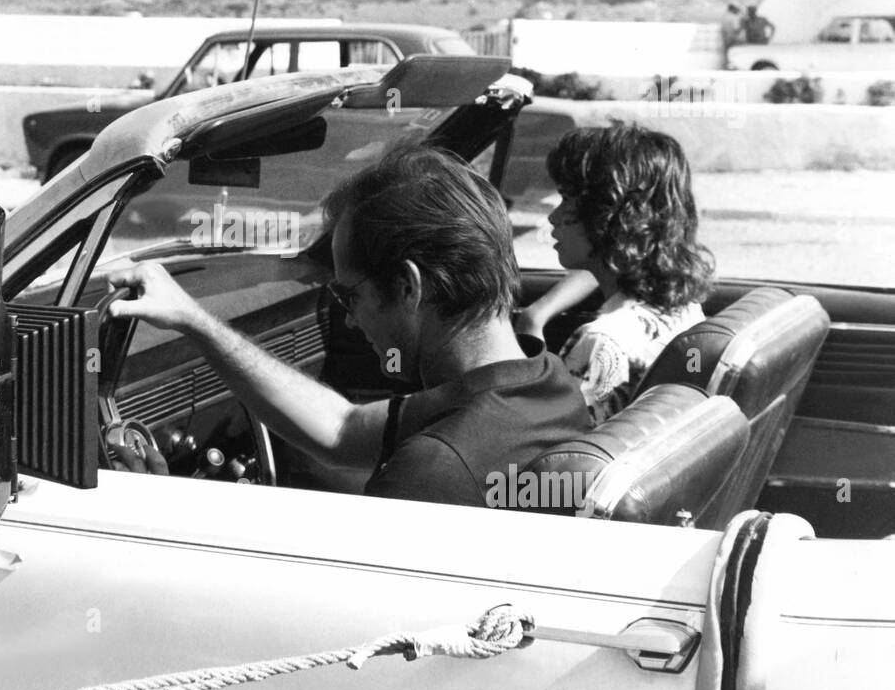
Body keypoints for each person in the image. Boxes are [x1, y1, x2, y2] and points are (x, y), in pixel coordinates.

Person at [106, 144, 592, 508]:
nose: (351, 319)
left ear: (407, 286)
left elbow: (303, 619)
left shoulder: (437, 467)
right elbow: (342, 429)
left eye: (349, 295)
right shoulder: (545, 382)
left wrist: (160, 500)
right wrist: (195, 321)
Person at [516, 124, 715, 425]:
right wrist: (535, 316)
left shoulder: (602, 343)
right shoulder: (684, 310)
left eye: (568, 200)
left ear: (608, 215)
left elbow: (556, 456)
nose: (553, 217)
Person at [719, 2, 743, 68]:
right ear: (733, 9)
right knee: (734, 53)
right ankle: (732, 66)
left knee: (726, 53)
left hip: (725, 37)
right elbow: (736, 29)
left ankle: (726, 66)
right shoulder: (734, 17)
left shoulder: (724, 16)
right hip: (732, 38)